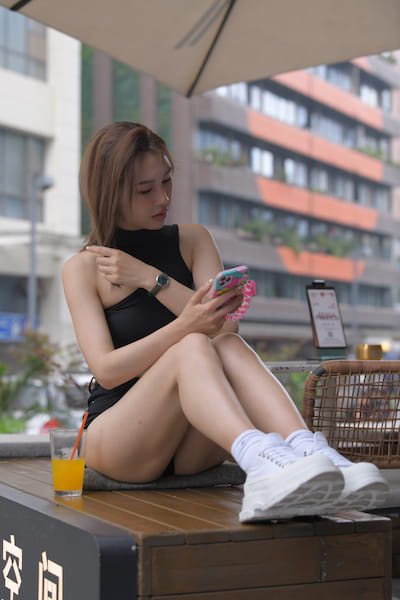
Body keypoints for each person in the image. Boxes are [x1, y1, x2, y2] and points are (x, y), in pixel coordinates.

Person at [62, 121, 388, 522]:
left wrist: (151, 279)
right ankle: (261, 460)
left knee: (226, 343)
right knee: (193, 344)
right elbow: (107, 371)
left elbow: (226, 328)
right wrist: (185, 327)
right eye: (145, 190)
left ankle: (308, 450)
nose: (163, 198)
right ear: (110, 192)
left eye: (167, 181)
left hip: (194, 443)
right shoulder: (84, 268)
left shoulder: (193, 239)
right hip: (122, 440)